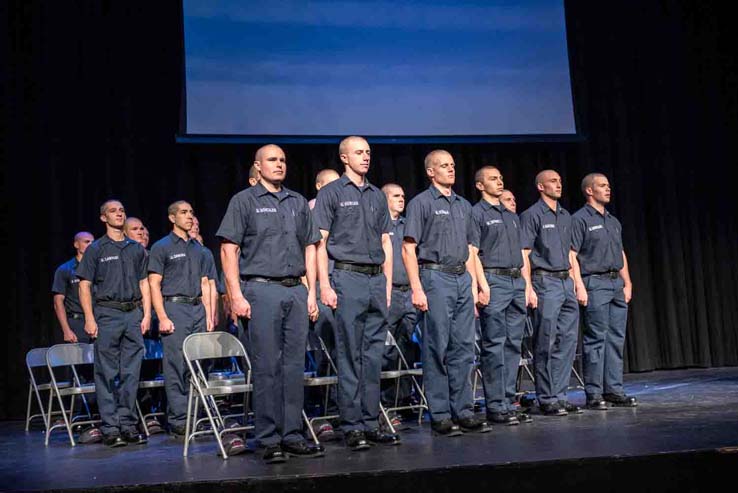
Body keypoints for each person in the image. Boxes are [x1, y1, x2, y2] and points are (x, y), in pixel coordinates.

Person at [218, 144, 324, 463]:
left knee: (294, 367)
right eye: (272, 160)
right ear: (258, 165)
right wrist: (235, 295)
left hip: (294, 290)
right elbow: (228, 250)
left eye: (282, 160)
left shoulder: (296, 202)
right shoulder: (244, 201)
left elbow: (311, 246)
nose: (279, 165)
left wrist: (310, 292)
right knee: (266, 367)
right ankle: (267, 438)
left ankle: (292, 434)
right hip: (261, 290)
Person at [313, 136, 400, 450]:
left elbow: (386, 244)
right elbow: (320, 243)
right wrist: (325, 284)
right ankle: (351, 425)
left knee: (373, 355)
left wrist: (387, 287)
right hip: (347, 276)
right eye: (359, 153)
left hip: (376, 280)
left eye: (368, 153)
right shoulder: (332, 193)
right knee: (350, 353)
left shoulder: (377, 195)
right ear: (344, 157)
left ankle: (370, 421)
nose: (365, 157)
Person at [402, 150, 490, 436]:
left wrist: (477, 284)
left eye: (453, 165)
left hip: (461, 277)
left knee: (463, 348)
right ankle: (440, 413)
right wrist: (417, 287)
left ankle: (463, 409)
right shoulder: (421, 203)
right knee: (436, 347)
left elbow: (472, 251)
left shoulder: (464, 205)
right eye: (444, 166)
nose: (450, 169)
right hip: (434, 276)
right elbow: (408, 248)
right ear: (430, 171)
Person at [76, 199, 151, 447]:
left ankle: (128, 425)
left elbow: (144, 284)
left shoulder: (136, 248)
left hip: (132, 314)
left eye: (121, 210)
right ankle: (110, 427)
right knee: (107, 373)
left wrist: (147, 314)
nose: (119, 213)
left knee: (131, 372)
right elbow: (85, 285)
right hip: (107, 313)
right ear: (103, 218)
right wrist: (89, 317)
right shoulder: (96, 249)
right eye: (113, 211)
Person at [148, 201, 215, 440]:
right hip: (174, 308)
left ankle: (195, 416)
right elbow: (154, 284)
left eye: (191, 212)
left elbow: (206, 284)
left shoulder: (200, 250)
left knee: (195, 366)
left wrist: (209, 315)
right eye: (184, 213)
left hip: (197, 308)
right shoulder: (161, 247)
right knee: (176, 365)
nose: (189, 216)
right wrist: (162, 316)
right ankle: (178, 419)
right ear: (172, 218)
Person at [470, 167, 532, 425]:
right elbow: (472, 252)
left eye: (501, 178)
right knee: (494, 343)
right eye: (493, 179)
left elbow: (522, 252)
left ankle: (509, 401)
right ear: (480, 185)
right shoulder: (476, 214)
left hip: (515, 279)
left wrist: (526, 285)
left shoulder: (511, 215)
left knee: (512, 344)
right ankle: (495, 405)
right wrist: (482, 286)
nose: (500, 181)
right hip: (494, 279)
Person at [570, 173, 636, 409]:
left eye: (608, 185)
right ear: (589, 190)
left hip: (615, 284)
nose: (608, 189)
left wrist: (627, 282)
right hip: (594, 282)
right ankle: (594, 393)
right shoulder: (579, 219)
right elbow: (572, 255)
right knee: (595, 339)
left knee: (616, 339)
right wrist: (579, 285)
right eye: (602, 185)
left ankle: (614, 390)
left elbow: (621, 254)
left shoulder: (613, 221)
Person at [519, 170, 582, 416]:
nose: (559, 184)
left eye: (560, 180)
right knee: (546, 340)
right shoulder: (532, 215)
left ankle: (561, 395)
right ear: (541, 187)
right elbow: (524, 253)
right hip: (545, 281)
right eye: (553, 181)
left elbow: (570, 254)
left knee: (567, 341)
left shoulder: (566, 216)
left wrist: (576, 282)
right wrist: (528, 287)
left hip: (566, 281)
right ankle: (546, 397)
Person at [380, 183, 418, 419]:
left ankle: (404, 400)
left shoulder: (408, 226)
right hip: (389, 293)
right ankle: (385, 403)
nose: (401, 199)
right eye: (396, 196)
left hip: (409, 293)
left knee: (408, 349)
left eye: (403, 195)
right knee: (387, 351)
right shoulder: (379, 226)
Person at [52, 232, 95, 343]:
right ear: (76, 244)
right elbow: (58, 302)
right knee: (79, 359)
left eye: (93, 242)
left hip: (99, 320)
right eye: (87, 242)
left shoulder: (99, 267)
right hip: (77, 323)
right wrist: (66, 330)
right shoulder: (65, 269)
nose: (91, 244)